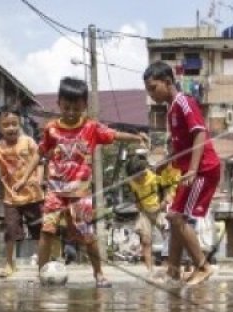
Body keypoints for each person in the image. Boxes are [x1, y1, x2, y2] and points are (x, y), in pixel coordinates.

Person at [23, 77, 148, 288]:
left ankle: (99, 273)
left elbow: (114, 134)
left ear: (84, 106)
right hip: (55, 191)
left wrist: (136, 138)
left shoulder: (91, 127)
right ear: (59, 104)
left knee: (87, 235)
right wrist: (25, 177)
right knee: (47, 231)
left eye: (76, 108)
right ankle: (41, 274)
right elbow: (39, 152)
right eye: (67, 107)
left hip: (80, 193)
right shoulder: (51, 128)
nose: (71, 112)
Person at [144, 61, 222, 286]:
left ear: (168, 82)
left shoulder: (184, 102)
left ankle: (202, 266)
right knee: (173, 216)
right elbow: (179, 147)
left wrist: (192, 169)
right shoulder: (172, 110)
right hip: (190, 171)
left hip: (203, 170)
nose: (151, 95)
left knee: (178, 218)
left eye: (153, 88)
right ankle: (173, 270)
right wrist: (163, 163)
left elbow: (199, 133)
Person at [0, 106, 45, 279]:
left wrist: (39, 179)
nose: (11, 128)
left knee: (38, 231)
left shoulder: (28, 141)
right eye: (6, 125)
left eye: (14, 123)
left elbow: (40, 161)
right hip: (11, 198)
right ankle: (9, 264)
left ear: (19, 123)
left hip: (33, 196)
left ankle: (43, 263)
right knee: (10, 232)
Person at [125, 156, 174, 274]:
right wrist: (137, 203)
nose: (136, 180)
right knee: (146, 241)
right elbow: (134, 193)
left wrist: (164, 202)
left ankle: (167, 267)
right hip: (145, 212)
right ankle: (150, 271)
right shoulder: (131, 181)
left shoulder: (155, 176)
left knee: (169, 237)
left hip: (160, 210)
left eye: (138, 177)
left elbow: (167, 190)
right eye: (134, 178)